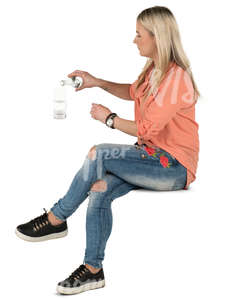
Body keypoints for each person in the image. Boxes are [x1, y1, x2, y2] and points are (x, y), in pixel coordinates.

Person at [15, 5, 200, 295]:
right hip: (148, 158)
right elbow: (133, 91)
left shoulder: (176, 78)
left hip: (172, 167)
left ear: (157, 37)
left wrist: (109, 119)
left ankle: (56, 219)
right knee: (99, 188)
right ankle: (93, 270)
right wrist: (96, 82)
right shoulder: (155, 69)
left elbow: (147, 129)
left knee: (99, 153)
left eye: (139, 35)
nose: (134, 40)